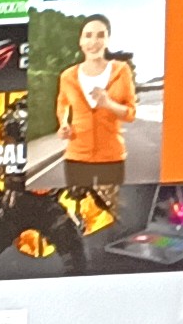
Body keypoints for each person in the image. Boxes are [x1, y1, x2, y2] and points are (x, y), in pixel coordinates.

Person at [54, 13, 136, 194]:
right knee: (76, 206)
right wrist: (64, 124)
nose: (93, 42)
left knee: (112, 207)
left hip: (112, 158)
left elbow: (130, 113)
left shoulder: (121, 71)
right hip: (76, 157)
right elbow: (62, 104)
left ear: (107, 40)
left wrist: (109, 104)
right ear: (80, 41)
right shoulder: (67, 76)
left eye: (100, 35)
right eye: (88, 35)